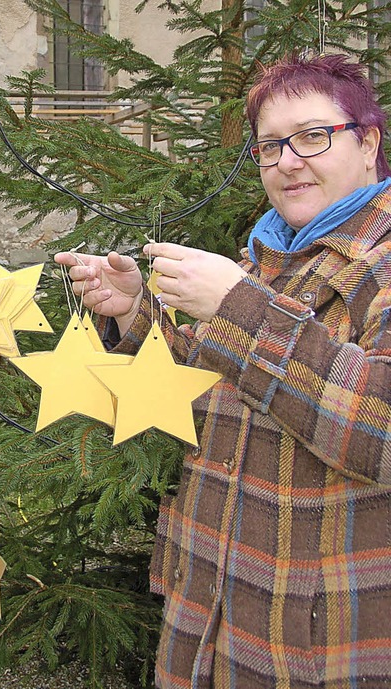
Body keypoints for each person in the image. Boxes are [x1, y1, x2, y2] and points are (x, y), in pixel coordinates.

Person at [55, 53, 391, 688]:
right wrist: (138, 314)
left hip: (317, 633)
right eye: (271, 146)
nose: (289, 161)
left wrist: (239, 305)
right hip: (211, 605)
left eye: (314, 136)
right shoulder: (267, 256)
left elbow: (382, 430)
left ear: (369, 142)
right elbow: (220, 385)